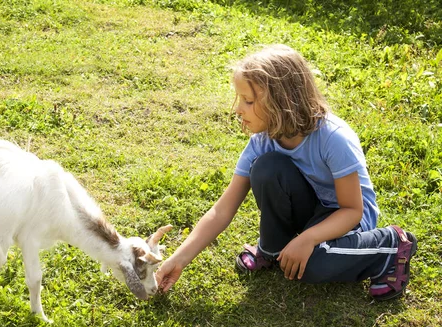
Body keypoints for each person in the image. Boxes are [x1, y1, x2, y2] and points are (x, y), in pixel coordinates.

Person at [156, 44, 417, 301]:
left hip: (347, 220)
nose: (238, 109)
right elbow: (222, 210)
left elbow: (352, 211)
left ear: (281, 101)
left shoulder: (333, 138)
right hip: (311, 211)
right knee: (268, 168)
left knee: (311, 265)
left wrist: (309, 239)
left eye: (248, 100)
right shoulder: (263, 140)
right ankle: (273, 250)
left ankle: (389, 247)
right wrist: (178, 259)